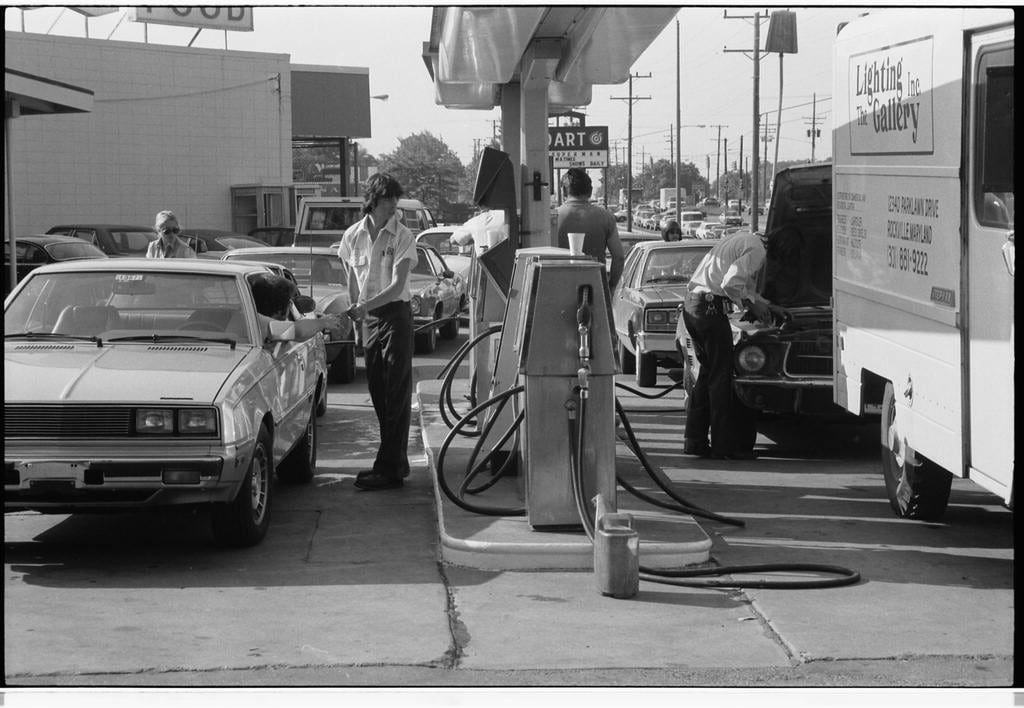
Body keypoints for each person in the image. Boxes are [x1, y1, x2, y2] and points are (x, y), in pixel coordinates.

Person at [337, 173, 417, 491]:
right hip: (369, 318)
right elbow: (352, 281)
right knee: (378, 391)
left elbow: (398, 285)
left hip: (395, 315)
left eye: (396, 201)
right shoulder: (352, 237)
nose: (393, 208)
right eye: (388, 201)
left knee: (396, 391)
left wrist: (365, 307)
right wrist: (358, 319)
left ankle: (388, 468)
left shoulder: (402, 235)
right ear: (373, 201)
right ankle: (395, 461)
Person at [681, 229, 789, 460]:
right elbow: (731, 283)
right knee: (721, 377)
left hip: (693, 305)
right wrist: (751, 305)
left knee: (706, 374)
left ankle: (695, 441)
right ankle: (724, 448)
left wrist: (766, 305)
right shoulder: (758, 251)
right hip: (710, 308)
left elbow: (742, 286)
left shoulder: (741, 238)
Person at [556, 168, 626, 289]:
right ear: (590, 191)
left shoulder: (552, 217)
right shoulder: (606, 217)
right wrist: (611, 287)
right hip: (595, 289)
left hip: (558, 287)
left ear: (564, 191)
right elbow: (619, 257)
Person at [249, 272, 339, 342]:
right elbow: (299, 332)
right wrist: (323, 323)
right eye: (290, 303)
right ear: (279, 312)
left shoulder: (243, 319)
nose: (291, 306)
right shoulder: (262, 325)